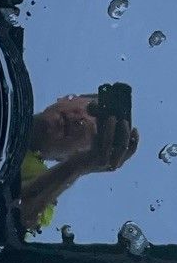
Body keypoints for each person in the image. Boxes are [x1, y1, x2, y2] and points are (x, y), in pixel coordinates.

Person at [19, 94, 139, 235]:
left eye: (95, 134)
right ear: (64, 98)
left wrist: (76, 167)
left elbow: (13, 215)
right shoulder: (5, 91)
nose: (82, 122)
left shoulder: (42, 188)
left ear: (64, 159)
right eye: (92, 109)